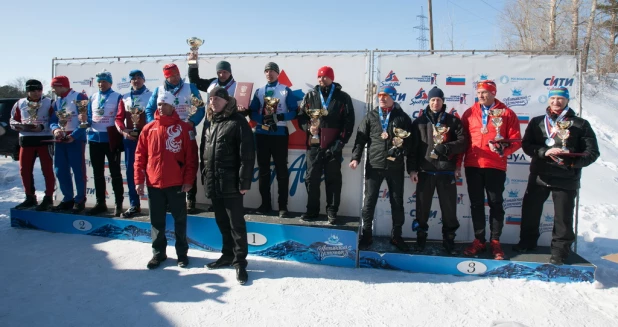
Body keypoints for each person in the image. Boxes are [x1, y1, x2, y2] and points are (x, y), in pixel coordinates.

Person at [514, 86, 599, 265]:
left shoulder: (580, 124)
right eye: (553, 99)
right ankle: (527, 243)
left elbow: (592, 153)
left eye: (560, 98)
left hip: (566, 177)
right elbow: (527, 145)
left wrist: (571, 162)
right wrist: (544, 152)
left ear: (567, 100)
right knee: (530, 211)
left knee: (563, 217)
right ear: (548, 100)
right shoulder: (537, 122)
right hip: (540, 175)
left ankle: (560, 251)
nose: (556, 102)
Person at [458, 80, 522, 260]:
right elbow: (462, 141)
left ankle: (495, 241)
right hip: (473, 164)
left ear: (494, 93)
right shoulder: (469, 113)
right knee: (476, 204)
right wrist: (458, 164)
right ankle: (479, 240)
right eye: (479, 92)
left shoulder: (507, 113)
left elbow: (516, 140)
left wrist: (504, 151)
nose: (481, 96)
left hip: (495, 165)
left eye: (485, 92)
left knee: (496, 203)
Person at [135, 90, 198, 269]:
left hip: (176, 183)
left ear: (173, 106)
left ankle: (181, 254)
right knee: (156, 221)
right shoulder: (148, 128)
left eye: (165, 104)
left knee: (179, 220)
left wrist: (188, 180)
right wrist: (139, 180)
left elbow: (191, 158)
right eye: (159, 104)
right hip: (154, 183)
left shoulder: (184, 128)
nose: (161, 108)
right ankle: (158, 253)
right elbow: (140, 156)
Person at [202, 87, 255, 285]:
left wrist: (244, 182)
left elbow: (247, 155)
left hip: (231, 182)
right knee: (222, 222)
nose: (213, 102)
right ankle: (227, 255)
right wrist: (205, 175)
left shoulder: (238, 121)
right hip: (213, 182)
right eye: (211, 99)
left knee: (236, 225)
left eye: (217, 99)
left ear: (226, 101)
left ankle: (240, 261)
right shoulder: (210, 122)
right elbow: (204, 152)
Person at [350, 85, 413, 252]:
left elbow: (411, 144)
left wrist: (405, 154)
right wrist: (355, 158)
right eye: (380, 95)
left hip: (395, 166)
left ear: (393, 97)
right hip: (374, 165)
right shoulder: (370, 116)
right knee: (369, 202)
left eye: (386, 96)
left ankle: (397, 236)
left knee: (397, 203)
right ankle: (367, 235)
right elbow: (360, 138)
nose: (382, 98)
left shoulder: (403, 117)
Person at [409, 86, 467, 254]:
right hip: (425, 172)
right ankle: (420, 239)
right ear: (428, 102)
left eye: (439, 100)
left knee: (449, 209)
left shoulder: (453, 121)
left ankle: (448, 241)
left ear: (443, 102)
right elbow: (412, 150)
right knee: (422, 208)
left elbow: (463, 142)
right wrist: (412, 170)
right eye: (433, 100)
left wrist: (447, 148)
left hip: (445, 172)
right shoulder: (419, 122)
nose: (436, 103)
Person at [297, 66, 355, 224]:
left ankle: (332, 212)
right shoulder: (310, 96)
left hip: (333, 145)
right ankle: (312, 210)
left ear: (332, 78)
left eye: (325, 76)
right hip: (314, 145)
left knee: (333, 180)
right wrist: (309, 128)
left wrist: (340, 142)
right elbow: (301, 117)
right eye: (319, 77)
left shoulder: (343, 97)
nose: (321, 79)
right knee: (311, 179)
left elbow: (349, 122)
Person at [187, 57, 244, 213]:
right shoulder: (212, 83)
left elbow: (245, 108)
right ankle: (212, 197)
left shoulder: (238, 87)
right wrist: (193, 62)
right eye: (219, 71)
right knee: (207, 161)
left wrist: (242, 109)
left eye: (224, 71)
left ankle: (230, 200)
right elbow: (194, 80)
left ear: (230, 72)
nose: (221, 74)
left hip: (228, 128)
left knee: (225, 162)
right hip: (209, 126)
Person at [145, 63, 205, 213]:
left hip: (186, 129)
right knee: (168, 164)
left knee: (190, 161)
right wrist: (154, 126)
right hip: (165, 131)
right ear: (166, 77)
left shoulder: (190, 87)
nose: (175, 78)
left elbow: (201, 108)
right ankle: (166, 199)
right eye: (171, 76)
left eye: (177, 75)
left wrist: (192, 122)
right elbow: (149, 110)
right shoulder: (159, 90)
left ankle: (191, 198)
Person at [249, 62, 298, 218]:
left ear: (277, 74)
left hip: (279, 133)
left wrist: (279, 117)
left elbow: (294, 112)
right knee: (263, 171)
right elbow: (252, 112)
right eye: (266, 71)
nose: (269, 73)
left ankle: (283, 206)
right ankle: (265, 204)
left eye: (272, 71)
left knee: (281, 171)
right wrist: (263, 119)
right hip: (262, 134)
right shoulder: (259, 91)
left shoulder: (284, 91)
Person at [10, 79, 55, 211]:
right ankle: (30, 197)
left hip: (44, 139)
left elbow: (54, 120)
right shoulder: (20, 103)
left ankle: (48, 197)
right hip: (26, 139)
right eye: (32, 90)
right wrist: (17, 126)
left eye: (39, 90)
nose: (36, 93)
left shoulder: (49, 102)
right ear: (27, 91)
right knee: (25, 170)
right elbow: (13, 119)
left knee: (47, 169)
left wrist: (41, 126)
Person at [86, 71, 125, 216]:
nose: (101, 84)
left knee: (115, 173)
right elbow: (89, 117)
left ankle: (118, 204)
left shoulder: (117, 97)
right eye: (99, 81)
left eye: (104, 81)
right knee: (97, 173)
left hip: (110, 139)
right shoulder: (93, 97)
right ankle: (100, 202)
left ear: (110, 83)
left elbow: (120, 116)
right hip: (94, 139)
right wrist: (85, 120)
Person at [115, 69, 152, 218]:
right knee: (131, 172)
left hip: (148, 138)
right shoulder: (124, 97)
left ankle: (156, 204)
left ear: (143, 79)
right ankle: (134, 205)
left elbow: (154, 115)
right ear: (130, 81)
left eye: (138, 78)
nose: (136, 81)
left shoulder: (151, 95)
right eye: (133, 79)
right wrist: (124, 132)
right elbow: (118, 118)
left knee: (152, 170)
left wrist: (148, 131)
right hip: (130, 139)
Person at [49, 76, 89, 213]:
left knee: (78, 170)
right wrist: (56, 129)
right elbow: (53, 120)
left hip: (75, 139)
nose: (53, 90)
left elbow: (85, 120)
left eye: (54, 87)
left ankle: (80, 199)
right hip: (60, 138)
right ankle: (68, 198)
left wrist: (74, 136)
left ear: (62, 86)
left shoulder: (79, 96)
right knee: (60, 170)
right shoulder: (57, 102)